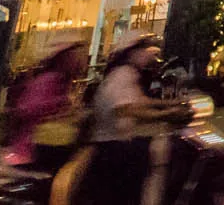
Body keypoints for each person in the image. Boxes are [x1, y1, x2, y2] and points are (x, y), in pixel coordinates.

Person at [55, 34, 189, 205]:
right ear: (131, 52)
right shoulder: (123, 74)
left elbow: (141, 102)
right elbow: (126, 109)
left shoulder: (127, 74)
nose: (148, 55)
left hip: (117, 142)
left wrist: (171, 104)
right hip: (113, 146)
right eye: (144, 49)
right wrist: (166, 114)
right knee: (161, 155)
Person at [5, 42, 84, 169]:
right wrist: (59, 109)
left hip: (48, 143)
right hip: (35, 145)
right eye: (73, 57)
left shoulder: (62, 81)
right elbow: (26, 108)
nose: (78, 62)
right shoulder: (49, 80)